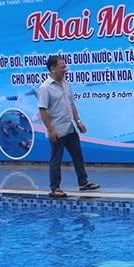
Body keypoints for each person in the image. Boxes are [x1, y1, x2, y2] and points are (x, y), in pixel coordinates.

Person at [37, 55, 100, 198]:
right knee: (56, 159)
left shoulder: (66, 84)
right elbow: (43, 110)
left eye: (65, 66)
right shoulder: (45, 88)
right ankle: (55, 188)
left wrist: (78, 122)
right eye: (62, 67)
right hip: (57, 130)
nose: (65, 69)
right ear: (53, 69)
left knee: (78, 155)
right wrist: (50, 129)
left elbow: (71, 104)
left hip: (70, 127)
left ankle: (83, 182)